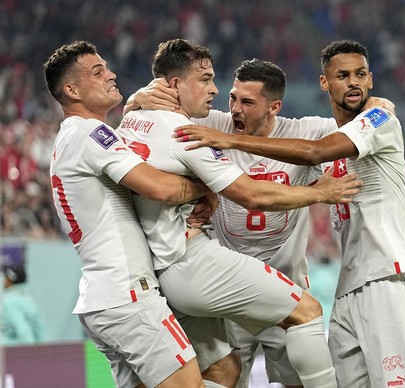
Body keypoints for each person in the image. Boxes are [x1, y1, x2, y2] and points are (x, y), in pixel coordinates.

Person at [174, 39, 405, 388]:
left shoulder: (362, 126)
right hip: (343, 287)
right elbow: (161, 106)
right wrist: (141, 99)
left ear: (371, 79)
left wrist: (228, 141)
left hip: (384, 276)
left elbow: (313, 152)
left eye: (360, 74)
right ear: (325, 82)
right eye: (342, 75)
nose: (352, 82)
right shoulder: (217, 123)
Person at [116, 38, 363, 388]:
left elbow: (359, 123)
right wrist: (136, 98)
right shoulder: (208, 125)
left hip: (281, 274)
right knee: (232, 372)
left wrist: (379, 104)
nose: (234, 108)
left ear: (274, 106)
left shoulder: (306, 133)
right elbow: (167, 111)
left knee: (272, 375)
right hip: (223, 279)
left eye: (247, 102)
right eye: (232, 97)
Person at [44, 40, 214, 388]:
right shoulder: (91, 132)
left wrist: (135, 103)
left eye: (106, 67)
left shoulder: (73, 137)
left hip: (104, 297)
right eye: (97, 71)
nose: (111, 74)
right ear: (72, 90)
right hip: (128, 295)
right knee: (190, 383)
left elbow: (125, 145)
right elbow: (160, 188)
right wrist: (208, 184)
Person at [1, 262, 45, 345]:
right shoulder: (29, 300)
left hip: (14, 351)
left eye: (6, 278)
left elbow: (22, 328)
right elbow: (40, 328)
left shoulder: (9, 302)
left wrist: (29, 352)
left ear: (10, 280)